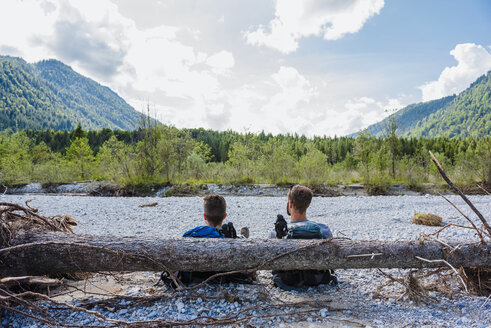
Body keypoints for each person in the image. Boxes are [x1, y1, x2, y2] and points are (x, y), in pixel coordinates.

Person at [161, 194, 253, 286]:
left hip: (193, 277)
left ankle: (243, 235)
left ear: (204, 216)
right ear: (225, 216)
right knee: (240, 240)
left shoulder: (190, 234)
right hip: (222, 276)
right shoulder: (227, 236)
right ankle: (243, 236)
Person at [271, 184, 337, 290]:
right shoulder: (323, 229)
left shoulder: (278, 233)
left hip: (288, 281)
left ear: (290, 204)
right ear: (308, 205)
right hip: (317, 279)